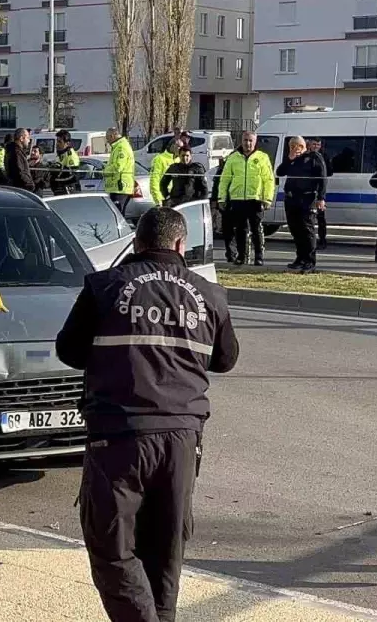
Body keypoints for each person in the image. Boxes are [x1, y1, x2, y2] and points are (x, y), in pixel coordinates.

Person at [55, 206, 239, 622]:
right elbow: (226, 359)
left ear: (136, 245)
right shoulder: (208, 294)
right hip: (182, 439)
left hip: (119, 436)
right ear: (180, 245)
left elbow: (68, 350)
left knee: (112, 549)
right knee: (165, 549)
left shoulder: (105, 286)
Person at [217, 131, 275, 266]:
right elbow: (225, 179)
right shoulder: (233, 158)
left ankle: (259, 257)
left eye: (250, 140)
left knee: (256, 229)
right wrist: (222, 198)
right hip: (237, 199)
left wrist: (267, 198)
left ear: (255, 142)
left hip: (255, 199)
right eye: (245, 140)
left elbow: (269, 180)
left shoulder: (262, 157)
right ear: (241, 141)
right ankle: (242, 256)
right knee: (241, 230)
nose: (247, 143)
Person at [276, 136, 327, 272]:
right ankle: (300, 258)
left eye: (297, 146)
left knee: (307, 230)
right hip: (291, 199)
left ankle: (310, 261)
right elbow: (279, 172)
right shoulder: (291, 159)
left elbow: (322, 178)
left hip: (307, 199)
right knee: (295, 230)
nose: (294, 148)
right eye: (292, 146)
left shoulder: (313, 157)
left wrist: (321, 198)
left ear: (304, 146)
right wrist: (289, 159)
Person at [105, 127, 137, 213]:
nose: (107, 141)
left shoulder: (121, 148)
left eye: (107, 138)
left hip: (120, 187)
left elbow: (118, 167)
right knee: (118, 213)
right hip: (118, 187)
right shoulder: (119, 146)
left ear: (112, 136)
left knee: (117, 214)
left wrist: (105, 171)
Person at [308, 138, 329, 250]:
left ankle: (322, 240)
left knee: (321, 218)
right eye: (314, 144)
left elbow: (326, 175)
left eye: (318, 145)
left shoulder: (322, 157)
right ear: (309, 145)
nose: (316, 147)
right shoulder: (307, 156)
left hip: (318, 191)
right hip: (309, 191)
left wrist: (321, 197)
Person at [149, 137, 181, 205]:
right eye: (179, 147)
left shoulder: (179, 160)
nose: (181, 149)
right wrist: (158, 200)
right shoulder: (159, 159)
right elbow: (154, 181)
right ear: (172, 146)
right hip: (164, 198)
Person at [52, 130, 81, 196]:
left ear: (67, 143)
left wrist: (57, 176)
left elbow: (73, 176)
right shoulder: (61, 154)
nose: (57, 143)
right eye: (57, 141)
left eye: (60, 142)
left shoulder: (71, 155)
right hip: (60, 189)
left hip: (69, 190)